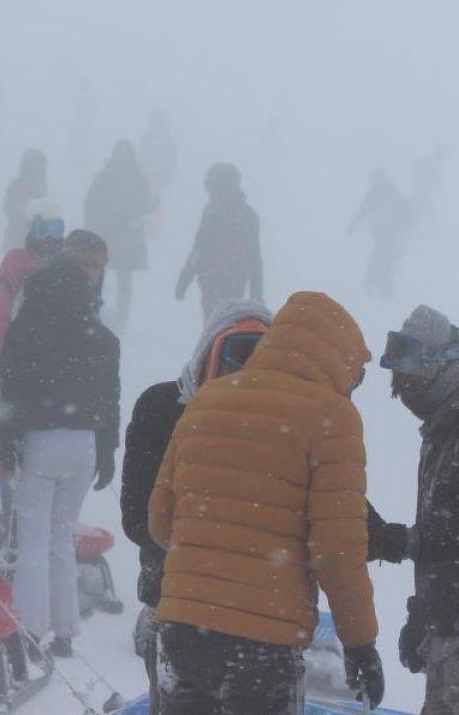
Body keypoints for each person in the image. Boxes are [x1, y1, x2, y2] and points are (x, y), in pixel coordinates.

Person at [148, 292, 384, 713]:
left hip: (181, 630)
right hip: (262, 643)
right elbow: (336, 552)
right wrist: (360, 643)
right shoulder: (331, 418)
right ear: (339, 360)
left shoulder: (207, 400)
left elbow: (160, 521)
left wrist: (211, 572)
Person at [121, 300, 271, 709]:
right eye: (237, 353)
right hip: (181, 605)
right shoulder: (163, 408)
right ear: (209, 352)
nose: (245, 370)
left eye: (262, 354)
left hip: (252, 613)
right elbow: (137, 518)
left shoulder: (283, 422)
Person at [0, 251, 120, 659]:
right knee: (61, 538)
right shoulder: (102, 338)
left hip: (40, 441)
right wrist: (107, 452)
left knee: (32, 540)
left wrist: (4, 450)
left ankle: (29, 630)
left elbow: (11, 395)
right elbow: (110, 401)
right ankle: (65, 631)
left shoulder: (26, 330)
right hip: (84, 444)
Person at [375, 306, 459, 713]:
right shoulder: (440, 429)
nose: (405, 391)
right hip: (447, 628)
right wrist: (424, 615)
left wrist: (405, 542)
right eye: (400, 382)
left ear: (441, 365)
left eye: (412, 379)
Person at [0, 205, 65, 376]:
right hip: (20, 345)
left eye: (56, 230)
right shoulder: (16, 260)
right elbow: (3, 303)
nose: (49, 237)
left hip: (56, 350)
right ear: (32, 230)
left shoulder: (66, 264)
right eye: (42, 230)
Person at [175, 163, 264, 322]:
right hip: (216, 279)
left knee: (219, 324)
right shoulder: (213, 211)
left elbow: (253, 256)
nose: (209, 191)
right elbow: (199, 247)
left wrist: (257, 293)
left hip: (226, 280)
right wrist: (185, 277)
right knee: (220, 323)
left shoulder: (241, 215)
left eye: (211, 185)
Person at [83, 140, 153, 329]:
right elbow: (147, 204)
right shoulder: (138, 179)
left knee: (97, 275)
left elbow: (89, 206)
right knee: (121, 278)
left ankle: (95, 315)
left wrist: (93, 226)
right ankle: (119, 319)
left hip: (107, 234)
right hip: (125, 236)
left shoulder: (104, 178)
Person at [348, 168, 413, 299]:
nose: (372, 182)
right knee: (384, 257)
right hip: (381, 231)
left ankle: (376, 284)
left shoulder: (387, 191)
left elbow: (403, 206)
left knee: (382, 257)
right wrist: (353, 224)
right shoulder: (377, 193)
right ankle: (380, 286)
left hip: (388, 230)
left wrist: (408, 221)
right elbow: (363, 210)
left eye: (374, 179)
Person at [1, 148, 48, 254]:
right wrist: (21, 210)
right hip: (17, 235)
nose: (40, 169)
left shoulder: (42, 186)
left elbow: (44, 210)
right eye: (38, 165)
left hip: (37, 237)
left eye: (41, 166)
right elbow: (8, 208)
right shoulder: (16, 185)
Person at [137, 111, 177, 200]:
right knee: (157, 197)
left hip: (152, 173)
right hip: (159, 173)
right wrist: (170, 175)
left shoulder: (147, 137)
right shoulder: (167, 138)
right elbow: (172, 158)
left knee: (151, 196)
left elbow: (142, 155)